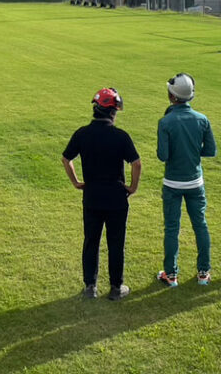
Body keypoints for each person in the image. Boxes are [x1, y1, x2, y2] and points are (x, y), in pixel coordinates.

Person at [62, 88, 141, 301]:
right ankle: (116, 287)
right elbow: (136, 163)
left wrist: (76, 182)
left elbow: (66, 158)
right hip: (116, 198)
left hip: (92, 197)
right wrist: (132, 187)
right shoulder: (121, 136)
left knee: (91, 241)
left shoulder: (82, 134)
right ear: (112, 112)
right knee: (116, 243)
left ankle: (90, 286)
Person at [156, 73, 216, 288]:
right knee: (200, 225)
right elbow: (210, 150)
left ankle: (171, 275)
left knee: (172, 228)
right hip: (195, 182)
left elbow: (163, 155)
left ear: (172, 96)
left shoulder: (165, 121)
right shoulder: (202, 119)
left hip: (172, 183)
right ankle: (203, 273)